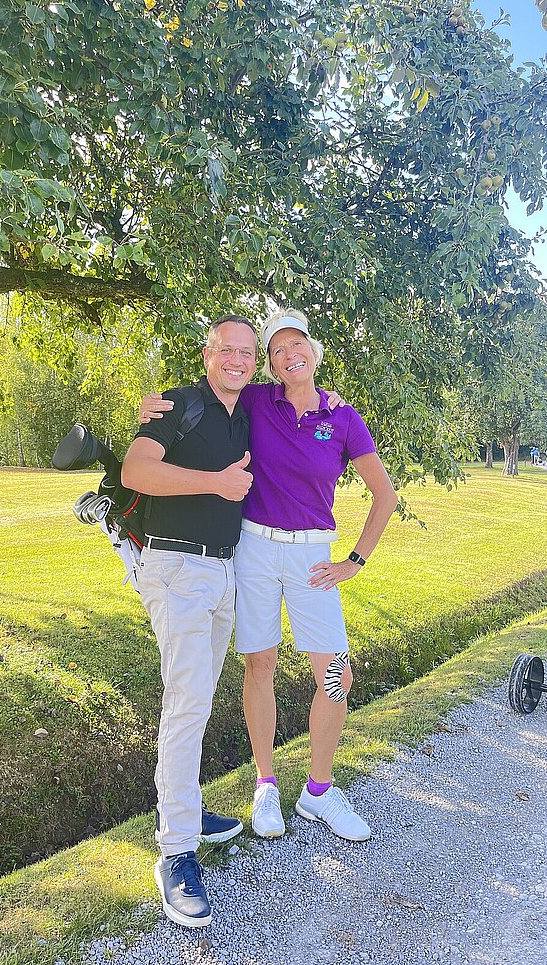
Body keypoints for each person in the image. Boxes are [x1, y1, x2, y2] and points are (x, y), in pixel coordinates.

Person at [142, 307, 398, 844]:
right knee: (260, 665)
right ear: (271, 363)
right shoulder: (258, 400)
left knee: (336, 675)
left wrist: (354, 561)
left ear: (313, 351)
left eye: (296, 344)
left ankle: (319, 791)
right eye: (277, 349)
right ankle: (265, 783)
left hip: (313, 559)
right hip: (254, 551)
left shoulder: (343, 416)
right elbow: (211, 391)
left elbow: (385, 495)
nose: (288, 355)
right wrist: (151, 406)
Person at [121, 314, 257, 929]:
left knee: (197, 700)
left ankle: (185, 806)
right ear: (207, 354)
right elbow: (136, 472)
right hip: (177, 569)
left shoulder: (248, 411)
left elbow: (299, 394)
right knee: (186, 703)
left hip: (224, 572)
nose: (237, 360)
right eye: (227, 349)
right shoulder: (178, 403)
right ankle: (175, 851)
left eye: (246, 352)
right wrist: (215, 484)